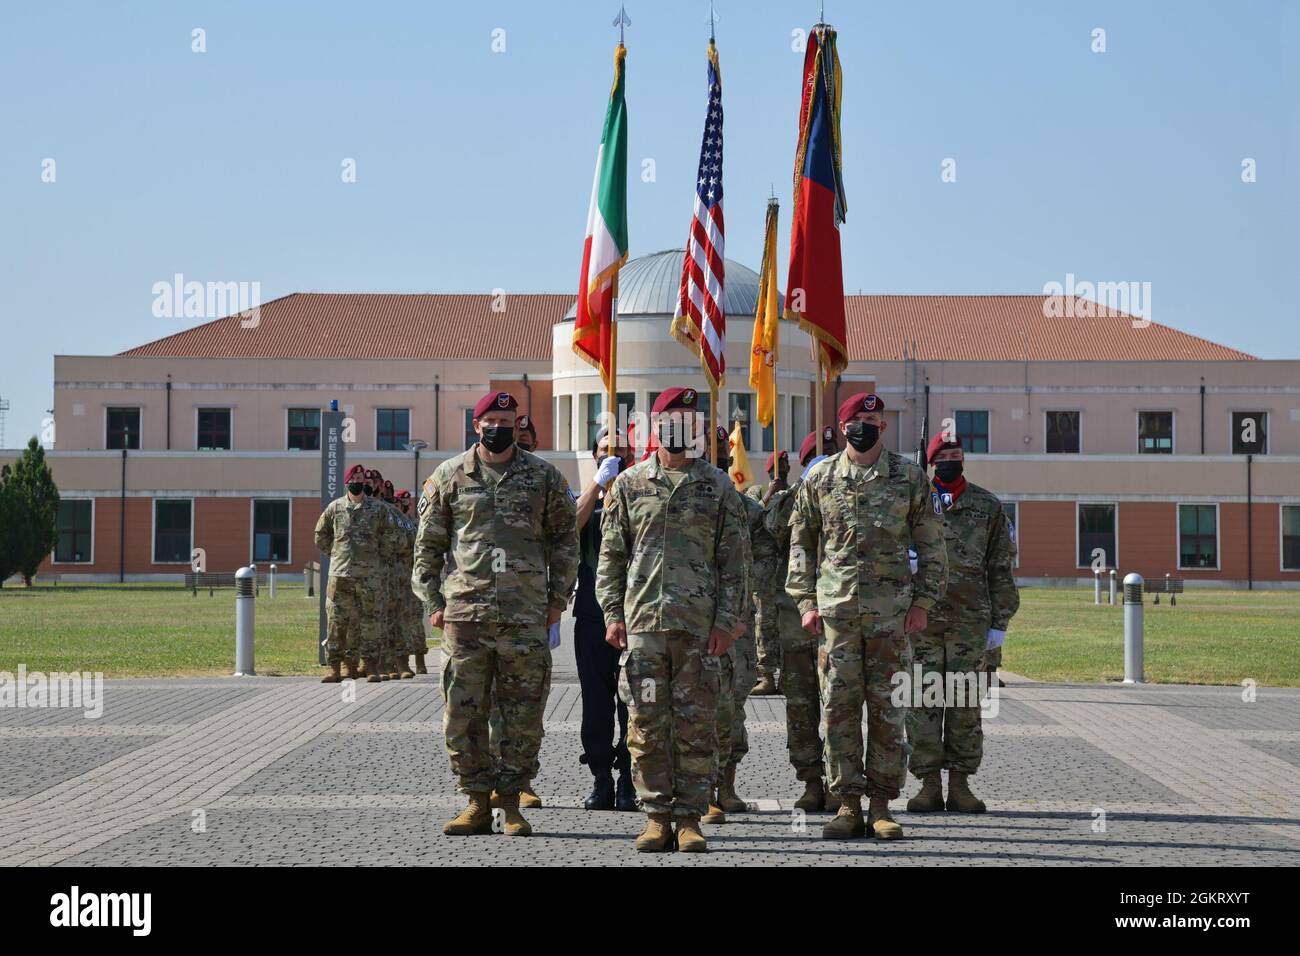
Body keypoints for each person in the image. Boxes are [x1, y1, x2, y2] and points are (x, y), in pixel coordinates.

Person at [413, 390, 578, 837]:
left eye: (509, 419)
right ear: (477, 424)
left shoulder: (543, 477)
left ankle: (512, 804)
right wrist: (433, 603)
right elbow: (427, 546)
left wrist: (557, 599)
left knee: (522, 714)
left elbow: (565, 540)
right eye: (492, 419)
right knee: (463, 712)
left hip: (525, 616)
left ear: (518, 423)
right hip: (465, 615)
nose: (500, 426)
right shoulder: (449, 476)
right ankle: (475, 801)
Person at [788, 393, 948, 840]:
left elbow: (933, 546)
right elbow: (800, 544)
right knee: (838, 711)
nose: (868, 425)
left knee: (888, 711)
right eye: (859, 419)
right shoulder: (820, 478)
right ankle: (846, 804)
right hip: (836, 617)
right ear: (843, 427)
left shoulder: (909, 477)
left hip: (891, 619)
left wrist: (922, 604)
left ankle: (881, 805)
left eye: (875, 419)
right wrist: (805, 602)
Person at [597, 387, 747, 853]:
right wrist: (612, 614)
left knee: (696, 725)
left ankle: (690, 818)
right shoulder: (629, 485)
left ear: (700, 430)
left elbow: (734, 563)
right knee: (645, 725)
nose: (680, 428)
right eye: (671, 419)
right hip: (643, 629)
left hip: (699, 631)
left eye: (689, 420)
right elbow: (611, 557)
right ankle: (656, 816)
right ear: (654, 427)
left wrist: (728, 622)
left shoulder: (718, 487)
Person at [905, 433, 1019, 814]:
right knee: (921, 702)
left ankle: (960, 785)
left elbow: (1001, 569)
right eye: (944, 455)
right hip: (920, 620)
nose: (951, 460)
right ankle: (927, 785)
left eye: (957, 454)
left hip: (970, 622)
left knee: (965, 703)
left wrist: (999, 625)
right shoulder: (913, 501)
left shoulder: (986, 506)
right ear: (932, 462)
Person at [763, 426, 840, 811]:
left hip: (838, 618)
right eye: (816, 459)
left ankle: (841, 782)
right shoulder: (791, 497)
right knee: (800, 705)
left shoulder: (846, 489)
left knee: (838, 703)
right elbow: (772, 527)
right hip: (795, 620)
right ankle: (811, 781)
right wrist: (799, 488)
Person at [702, 427, 774, 824]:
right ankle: (700, 789)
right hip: (693, 621)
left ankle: (726, 785)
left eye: (719, 454)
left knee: (732, 710)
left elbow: (766, 552)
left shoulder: (745, 508)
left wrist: (745, 598)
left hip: (736, 627)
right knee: (699, 709)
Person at [572, 428, 637, 811]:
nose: (613, 457)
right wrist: (597, 486)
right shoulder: (586, 499)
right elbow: (568, 528)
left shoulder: (639, 495)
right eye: (605, 451)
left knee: (631, 702)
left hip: (633, 614)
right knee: (596, 702)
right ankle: (601, 777)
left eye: (622, 452)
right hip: (593, 615)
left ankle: (629, 778)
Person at [314, 463, 397, 683]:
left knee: (371, 622)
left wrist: (379, 557)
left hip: (370, 577)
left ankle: (369, 666)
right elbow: (320, 534)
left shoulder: (378, 509)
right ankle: (336, 667)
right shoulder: (335, 508)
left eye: (361, 478)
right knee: (337, 622)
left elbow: (390, 535)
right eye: (354, 477)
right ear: (347, 481)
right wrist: (335, 554)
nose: (358, 481)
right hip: (340, 576)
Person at [751, 449, 792, 696]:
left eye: (785, 465)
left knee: (787, 624)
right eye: (777, 465)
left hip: (786, 569)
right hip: (762, 572)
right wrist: (769, 494)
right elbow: (752, 516)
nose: (782, 470)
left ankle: (788, 675)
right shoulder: (756, 491)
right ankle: (765, 675)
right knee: (763, 623)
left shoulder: (795, 493)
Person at [395, 490, 430, 674]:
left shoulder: (416, 523)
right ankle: (402, 661)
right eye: (401, 500)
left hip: (413, 576)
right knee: (399, 619)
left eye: (406, 500)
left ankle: (420, 660)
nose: (404, 503)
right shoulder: (395, 522)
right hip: (396, 576)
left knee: (415, 619)